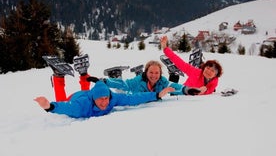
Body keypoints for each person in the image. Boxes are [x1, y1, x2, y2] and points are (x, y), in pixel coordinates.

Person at [34, 54, 173, 118]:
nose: (105, 102)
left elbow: (134, 98)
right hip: (77, 98)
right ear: (94, 99)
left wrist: (156, 95)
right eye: (101, 99)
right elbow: (66, 107)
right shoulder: (82, 106)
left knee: (93, 90)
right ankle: (58, 76)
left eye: (106, 98)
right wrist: (49, 106)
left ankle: (84, 75)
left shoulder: (112, 98)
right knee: (62, 101)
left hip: (91, 93)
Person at [87, 60, 200, 96]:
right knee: (120, 93)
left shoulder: (162, 81)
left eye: (157, 73)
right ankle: (114, 74)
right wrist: (105, 81)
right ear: (146, 72)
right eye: (151, 72)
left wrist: (187, 90)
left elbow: (174, 86)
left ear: (160, 74)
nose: (154, 75)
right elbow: (124, 85)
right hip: (131, 97)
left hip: (147, 100)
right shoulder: (139, 80)